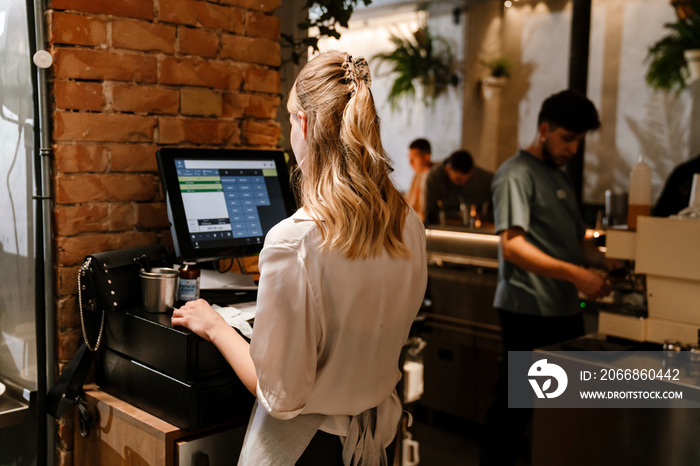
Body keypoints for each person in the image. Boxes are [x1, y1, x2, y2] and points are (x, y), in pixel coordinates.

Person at [172, 51, 427, 465]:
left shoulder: (294, 241)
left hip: (310, 450)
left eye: (290, 117)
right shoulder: (408, 223)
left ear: (304, 124)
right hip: (375, 438)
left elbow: (280, 396)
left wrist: (217, 327)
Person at [480, 90, 614, 466]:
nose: (573, 149)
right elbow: (514, 247)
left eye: (578, 141)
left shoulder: (560, 178)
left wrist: (605, 261)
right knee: (513, 409)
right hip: (528, 311)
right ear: (544, 129)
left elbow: (575, 242)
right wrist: (577, 275)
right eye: (567, 139)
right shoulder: (516, 173)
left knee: (559, 411)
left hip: (562, 311)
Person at [423, 149, 493, 225]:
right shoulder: (435, 178)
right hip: (445, 226)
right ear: (447, 169)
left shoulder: (484, 178)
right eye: (459, 180)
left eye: (466, 180)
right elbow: (430, 212)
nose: (463, 183)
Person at [405, 138, 433, 221]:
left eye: (414, 157)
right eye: (410, 158)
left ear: (427, 157)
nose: (411, 162)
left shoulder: (433, 177)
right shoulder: (417, 175)